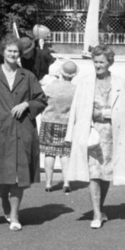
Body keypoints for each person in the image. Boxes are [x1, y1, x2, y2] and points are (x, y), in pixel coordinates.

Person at [0, 33, 48, 231]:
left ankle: (15, 216)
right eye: (9, 51)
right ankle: (5, 202)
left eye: (16, 51)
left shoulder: (28, 76)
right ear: (2, 52)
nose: (12, 54)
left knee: (19, 175)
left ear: (20, 54)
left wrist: (27, 104)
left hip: (22, 130)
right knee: (1, 174)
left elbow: (41, 100)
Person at [64, 45, 125, 229]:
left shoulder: (121, 84)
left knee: (106, 173)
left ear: (109, 62)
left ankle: (100, 207)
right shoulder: (85, 83)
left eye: (101, 62)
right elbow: (77, 110)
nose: (98, 65)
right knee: (93, 172)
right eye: (95, 62)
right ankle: (96, 213)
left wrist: (104, 113)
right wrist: (73, 134)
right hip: (91, 133)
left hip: (112, 134)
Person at [40, 59, 78, 192]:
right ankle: (66, 182)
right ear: (74, 74)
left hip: (49, 122)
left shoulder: (51, 86)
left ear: (61, 72)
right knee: (65, 153)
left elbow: (42, 102)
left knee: (49, 152)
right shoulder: (75, 89)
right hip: (66, 123)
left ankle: (48, 184)